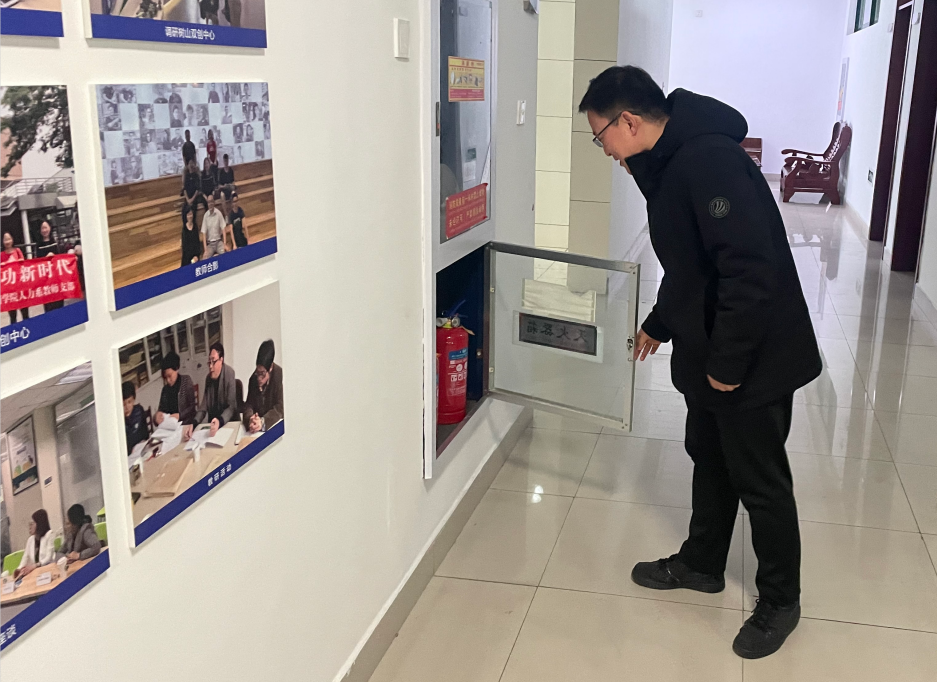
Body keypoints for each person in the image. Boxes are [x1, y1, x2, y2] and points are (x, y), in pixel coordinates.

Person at [578, 66, 822, 660]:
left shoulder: (709, 161)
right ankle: (702, 563)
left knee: (760, 480)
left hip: (753, 354)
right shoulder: (664, 164)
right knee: (709, 458)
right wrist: (661, 323)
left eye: (600, 135)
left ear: (628, 121)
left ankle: (780, 600)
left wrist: (729, 363)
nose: (603, 149)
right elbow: (692, 265)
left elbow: (749, 270)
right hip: (712, 347)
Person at [186, 342, 237, 439]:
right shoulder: (208, 378)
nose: (210, 366)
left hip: (227, 423)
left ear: (221, 360)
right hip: (213, 425)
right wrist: (194, 423)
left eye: (213, 361)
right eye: (209, 362)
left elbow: (231, 407)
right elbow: (203, 406)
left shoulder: (229, 373)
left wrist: (220, 421)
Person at [242, 340, 283, 434]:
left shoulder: (280, 376)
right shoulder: (253, 379)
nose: (259, 378)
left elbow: (280, 407)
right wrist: (250, 419)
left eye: (262, 374)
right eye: (258, 372)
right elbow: (248, 404)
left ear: (271, 367)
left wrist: (263, 421)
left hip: (274, 427)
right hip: (256, 429)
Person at [155, 352, 197, 427]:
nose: (168, 380)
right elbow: (161, 409)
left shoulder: (186, 381)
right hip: (170, 426)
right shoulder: (165, 389)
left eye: (170, 376)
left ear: (177, 369)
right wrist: (157, 416)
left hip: (186, 424)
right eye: (165, 377)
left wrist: (179, 415)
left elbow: (192, 408)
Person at [13, 509, 54, 579]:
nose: (30, 527)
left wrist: (35, 565)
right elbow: (25, 557)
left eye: (32, 523)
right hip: (36, 573)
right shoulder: (30, 539)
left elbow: (49, 558)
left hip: (48, 570)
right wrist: (19, 569)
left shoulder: (49, 534)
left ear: (39, 523)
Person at [35, 222, 65, 313]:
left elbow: (63, 256)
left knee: (59, 303)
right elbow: (36, 261)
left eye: (46, 227)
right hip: (45, 279)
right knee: (48, 304)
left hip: (57, 277)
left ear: (50, 228)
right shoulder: (38, 245)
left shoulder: (56, 242)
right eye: (42, 228)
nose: (44, 230)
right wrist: (46, 258)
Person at [2, 232, 29, 323]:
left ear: (12, 240)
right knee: (13, 316)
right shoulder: (1, 255)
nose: (7, 241)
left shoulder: (17, 251)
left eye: (9, 239)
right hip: (9, 290)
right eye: (5, 240)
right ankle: (14, 331)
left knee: (25, 313)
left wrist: (21, 261)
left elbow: (24, 265)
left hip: (21, 287)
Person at [122, 381, 150, 455]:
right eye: (123, 404)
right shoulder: (120, 420)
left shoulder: (139, 411)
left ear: (134, 400)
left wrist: (144, 441)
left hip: (143, 449)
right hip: (130, 455)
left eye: (129, 402)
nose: (127, 407)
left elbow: (146, 434)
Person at [200, 193, 227, 258]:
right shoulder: (206, 216)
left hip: (219, 242)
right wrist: (205, 250)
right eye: (209, 202)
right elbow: (204, 233)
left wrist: (225, 243)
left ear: (214, 202)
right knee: (205, 258)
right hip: (210, 244)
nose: (210, 204)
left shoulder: (218, 213)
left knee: (226, 253)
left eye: (211, 201)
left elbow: (223, 228)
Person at [181, 158, 206, 228]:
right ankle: (186, 227)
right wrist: (188, 199)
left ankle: (193, 227)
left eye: (192, 163)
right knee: (184, 210)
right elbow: (185, 189)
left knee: (193, 210)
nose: (191, 165)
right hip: (188, 197)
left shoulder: (196, 176)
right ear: (188, 165)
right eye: (190, 163)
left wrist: (192, 199)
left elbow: (197, 190)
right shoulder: (186, 176)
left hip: (195, 197)